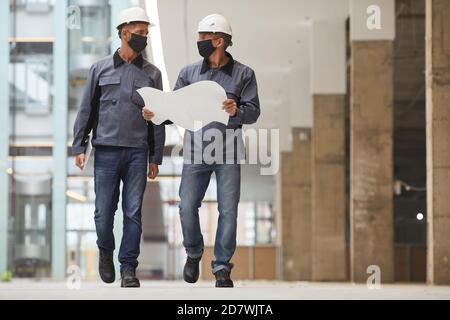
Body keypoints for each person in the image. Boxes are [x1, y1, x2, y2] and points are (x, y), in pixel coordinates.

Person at [143, 14, 260, 288]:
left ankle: (221, 267)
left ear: (219, 41)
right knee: (186, 207)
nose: (199, 42)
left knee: (228, 211)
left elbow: (254, 112)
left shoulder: (244, 74)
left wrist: (237, 111)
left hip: (229, 151)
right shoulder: (188, 74)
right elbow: (175, 109)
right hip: (196, 151)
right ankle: (194, 252)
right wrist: (156, 112)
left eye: (203, 38)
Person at [72, 7, 165, 288]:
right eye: (139, 34)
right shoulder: (99, 69)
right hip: (106, 151)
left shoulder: (152, 73)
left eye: (147, 35)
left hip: (138, 152)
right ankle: (105, 249)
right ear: (124, 33)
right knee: (103, 213)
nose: (144, 39)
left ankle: (128, 268)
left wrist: (155, 156)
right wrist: (79, 145)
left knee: (133, 212)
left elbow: (158, 119)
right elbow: (86, 110)